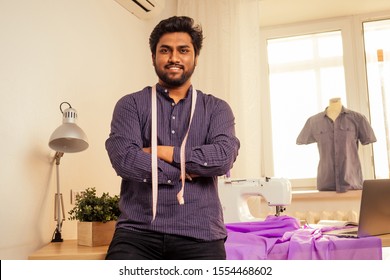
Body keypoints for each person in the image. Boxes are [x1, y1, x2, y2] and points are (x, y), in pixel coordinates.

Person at [105, 16, 240, 260]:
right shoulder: (131, 105)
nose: (174, 58)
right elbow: (124, 160)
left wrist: (162, 152)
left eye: (183, 50)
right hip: (137, 233)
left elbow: (222, 158)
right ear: (153, 57)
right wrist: (189, 171)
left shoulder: (217, 109)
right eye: (165, 50)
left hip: (201, 233)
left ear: (195, 58)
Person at [296, 98, 376, 192]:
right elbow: (301, 139)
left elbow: (368, 138)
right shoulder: (313, 121)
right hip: (325, 185)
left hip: (352, 184)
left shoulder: (358, 118)